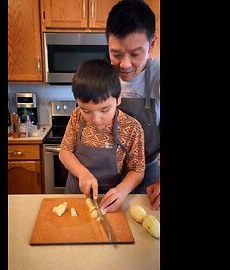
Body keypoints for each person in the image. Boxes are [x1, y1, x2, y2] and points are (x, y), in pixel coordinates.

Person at [60, 59, 145, 213]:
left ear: (119, 98)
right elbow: (65, 152)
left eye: (105, 110)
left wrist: (122, 191)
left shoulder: (132, 128)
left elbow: (137, 170)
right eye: (86, 110)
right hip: (76, 196)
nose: (96, 119)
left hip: (109, 200)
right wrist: (83, 173)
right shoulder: (77, 117)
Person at [106, 0, 160, 210]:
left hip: (148, 180)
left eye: (136, 54)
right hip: (106, 177)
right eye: (116, 54)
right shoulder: (101, 75)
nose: (125, 64)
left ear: (152, 44)